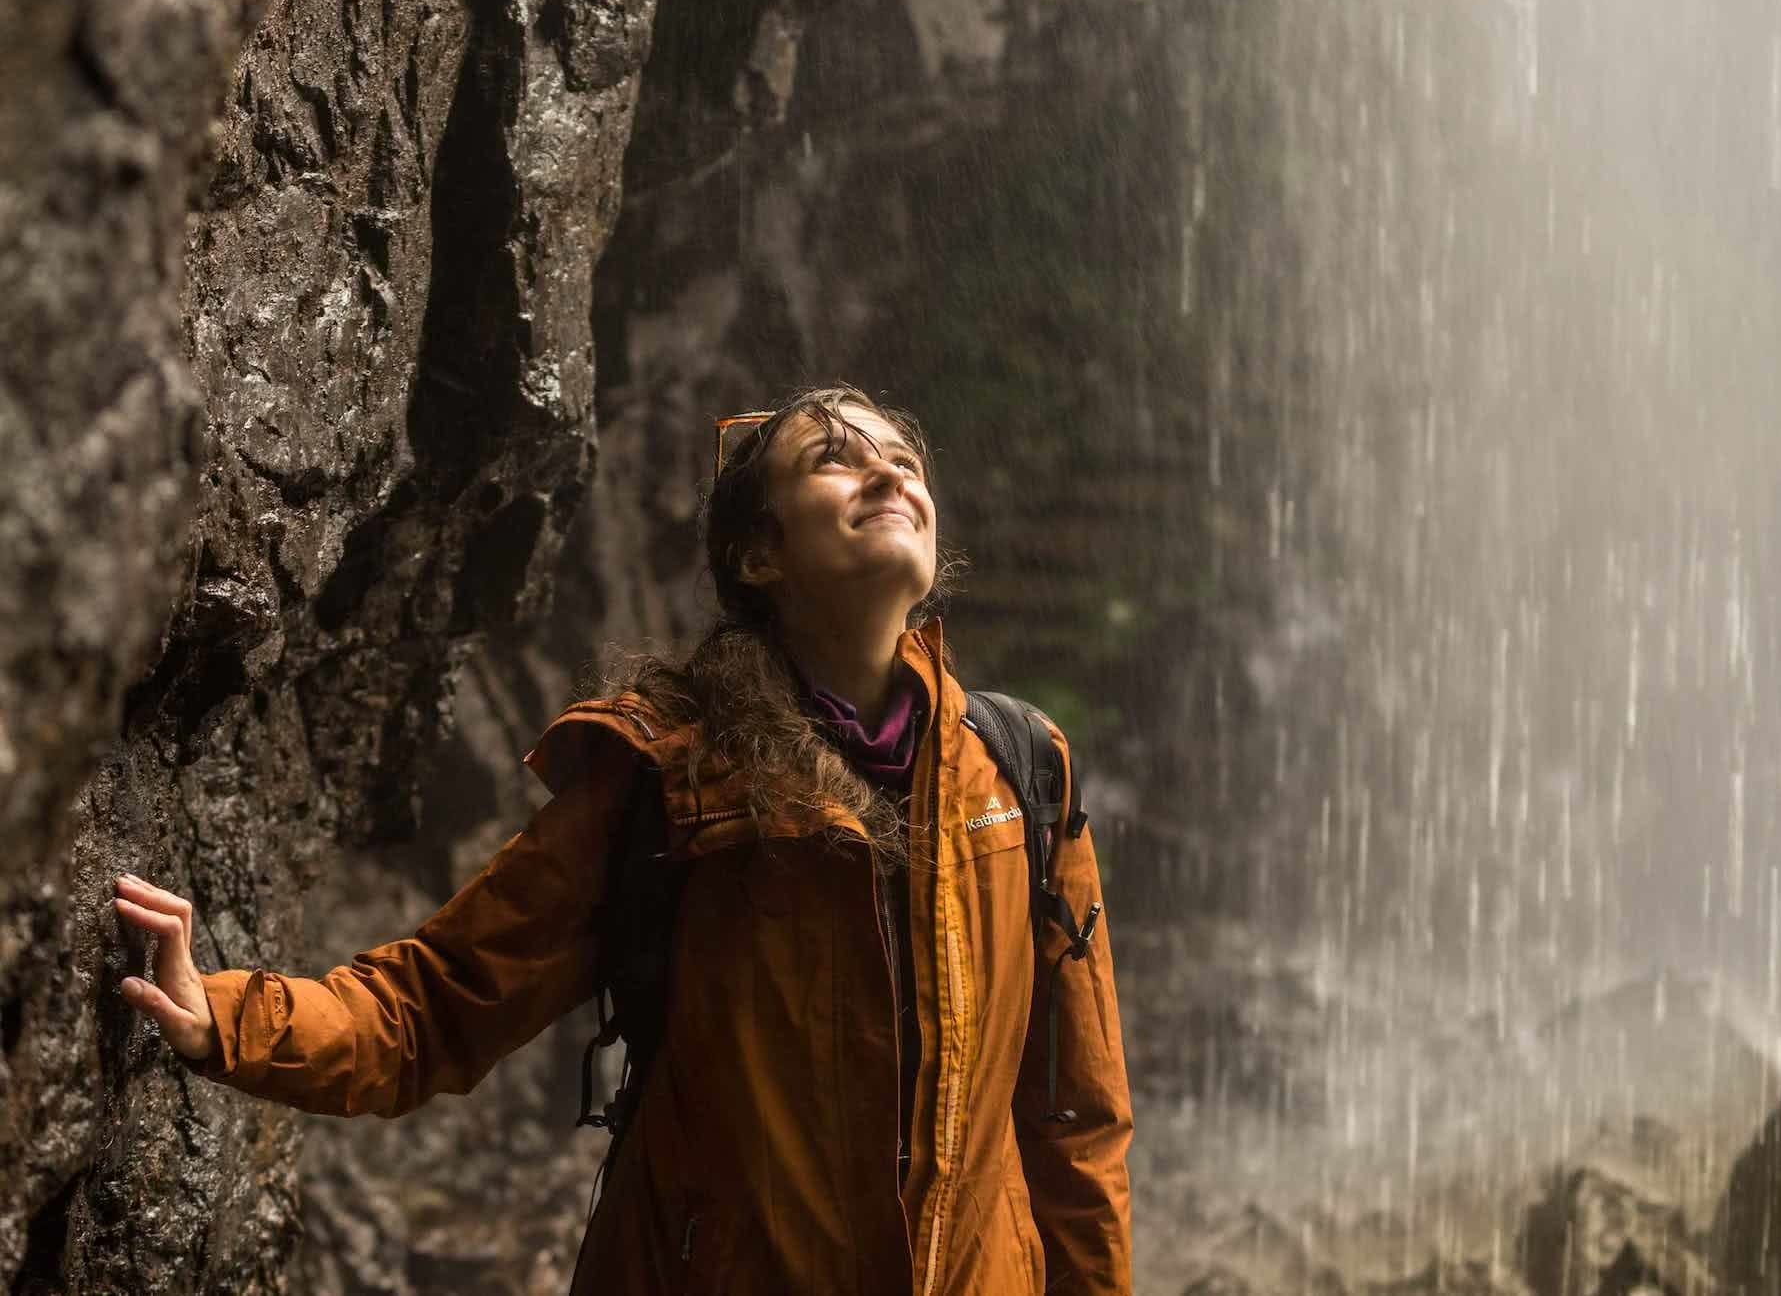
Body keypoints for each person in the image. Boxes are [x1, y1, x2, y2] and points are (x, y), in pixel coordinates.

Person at [112, 385, 1133, 1294]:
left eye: (902, 459)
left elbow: (1077, 1120)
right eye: (836, 458)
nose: (887, 473)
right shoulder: (669, 775)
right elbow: (437, 1004)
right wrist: (228, 1017)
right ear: (759, 554)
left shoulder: (1021, 769)